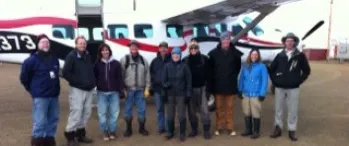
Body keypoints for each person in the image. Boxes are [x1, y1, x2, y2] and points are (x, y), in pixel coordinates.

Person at [269, 33, 311, 141]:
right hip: (280, 87)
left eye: (291, 41)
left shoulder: (300, 56)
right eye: (287, 41)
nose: (289, 42)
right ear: (284, 43)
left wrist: (298, 81)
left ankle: (292, 130)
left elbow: (306, 71)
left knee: (293, 110)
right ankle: (278, 128)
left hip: (293, 88)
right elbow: (271, 69)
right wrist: (275, 81)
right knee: (278, 109)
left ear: (294, 42)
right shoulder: (280, 55)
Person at [20, 34, 60, 146]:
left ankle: (49, 140)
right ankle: (37, 141)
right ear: (38, 45)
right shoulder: (31, 60)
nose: (45, 44)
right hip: (41, 96)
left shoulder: (54, 59)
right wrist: (32, 90)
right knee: (40, 121)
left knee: (53, 119)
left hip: (54, 95)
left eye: (47, 42)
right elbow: (24, 78)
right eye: (42, 42)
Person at [207, 31, 243, 136]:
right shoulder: (213, 54)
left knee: (230, 108)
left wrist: (231, 77)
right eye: (224, 39)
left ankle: (230, 127)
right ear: (220, 40)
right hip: (218, 85)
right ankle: (219, 127)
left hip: (230, 85)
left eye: (228, 39)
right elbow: (211, 70)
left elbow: (238, 68)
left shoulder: (235, 53)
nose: (226, 41)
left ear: (229, 40)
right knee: (219, 108)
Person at [62, 36, 95, 146]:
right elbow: (65, 72)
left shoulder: (88, 55)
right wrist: (77, 82)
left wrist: (93, 82)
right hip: (77, 89)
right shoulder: (71, 56)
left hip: (89, 89)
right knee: (76, 111)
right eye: (80, 43)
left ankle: (80, 134)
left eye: (84, 43)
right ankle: (70, 136)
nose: (82, 45)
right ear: (76, 44)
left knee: (86, 112)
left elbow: (91, 70)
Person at [120, 40, 151, 137]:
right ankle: (128, 129)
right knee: (128, 110)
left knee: (142, 110)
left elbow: (148, 75)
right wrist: (123, 89)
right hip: (129, 90)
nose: (133, 48)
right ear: (129, 48)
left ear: (138, 48)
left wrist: (147, 88)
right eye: (131, 46)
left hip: (140, 91)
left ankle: (142, 128)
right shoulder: (124, 60)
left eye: (135, 46)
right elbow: (120, 76)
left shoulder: (143, 60)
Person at [94, 43, 124, 141]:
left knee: (114, 113)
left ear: (109, 51)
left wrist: (121, 90)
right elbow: (95, 77)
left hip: (114, 92)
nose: (105, 51)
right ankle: (105, 131)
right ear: (100, 52)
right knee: (102, 114)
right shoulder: (97, 64)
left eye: (107, 50)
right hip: (101, 92)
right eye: (103, 50)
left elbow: (120, 78)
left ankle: (112, 131)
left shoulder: (116, 63)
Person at [182, 40, 212, 139]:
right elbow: (183, 77)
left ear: (198, 49)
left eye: (195, 48)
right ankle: (194, 129)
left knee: (205, 110)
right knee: (191, 111)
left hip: (202, 88)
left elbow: (209, 75)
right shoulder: (185, 60)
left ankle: (206, 130)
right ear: (189, 49)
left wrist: (208, 90)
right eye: (191, 48)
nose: (193, 50)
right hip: (190, 89)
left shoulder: (205, 59)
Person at [162, 47, 192, 142]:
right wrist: (166, 85)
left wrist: (188, 93)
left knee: (181, 114)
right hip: (170, 94)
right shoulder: (167, 66)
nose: (176, 56)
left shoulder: (184, 66)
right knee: (170, 114)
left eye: (177, 54)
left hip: (181, 94)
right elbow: (163, 80)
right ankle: (170, 132)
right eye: (174, 54)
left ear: (180, 55)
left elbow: (189, 80)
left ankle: (182, 133)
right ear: (171, 55)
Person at [238, 48, 268, 139]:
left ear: (258, 56)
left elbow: (264, 81)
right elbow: (241, 79)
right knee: (246, 112)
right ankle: (248, 130)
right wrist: (240, 89)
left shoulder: (262, 66)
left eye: (256, 54)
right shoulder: (245, 66)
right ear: (250, 55)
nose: (254, 56)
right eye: (252, 54)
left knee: (256, 113)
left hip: (256, 94)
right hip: (246, 94)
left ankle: (256, 131)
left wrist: (262, 93)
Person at [149, 42, 171, 134]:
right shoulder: (154, 61)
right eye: (161, 48)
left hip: (169, 89)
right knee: (159, 109)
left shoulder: (172, 60)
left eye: (165, 48)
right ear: (159, 49)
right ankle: (161, 127)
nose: (163, 50)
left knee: (169, 110)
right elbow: (151, 74)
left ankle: (169, 127)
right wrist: (153, 85)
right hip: (158, 89)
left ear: (167, 49)